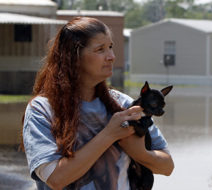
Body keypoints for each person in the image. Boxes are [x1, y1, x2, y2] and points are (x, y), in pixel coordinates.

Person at [22, 17, 174, 190]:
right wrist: (109, 134)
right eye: (100, 49)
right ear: (74, 56)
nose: (111, 57)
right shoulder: (42, 109)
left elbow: (167, 166)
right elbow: (55, 179)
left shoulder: (124, 104)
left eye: (110, 47)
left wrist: (140, 153)